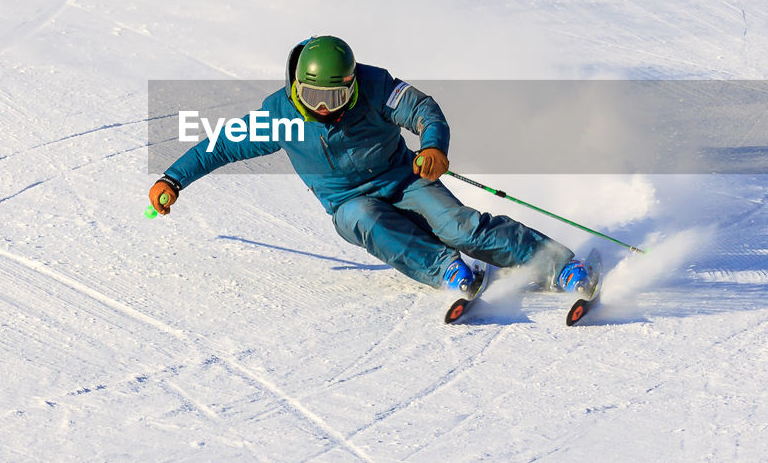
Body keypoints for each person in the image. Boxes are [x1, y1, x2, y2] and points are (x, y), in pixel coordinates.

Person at [148, 35, 591, 296]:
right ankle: (450, 271)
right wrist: (173, 179)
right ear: (297, 87)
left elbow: (424, 111)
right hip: (348, 201)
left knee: (459, 225)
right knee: (365, 220)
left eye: (336, 98)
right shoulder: (278, 115)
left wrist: (433, 146)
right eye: (315, 99)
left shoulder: (376, 85)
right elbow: (220, 146)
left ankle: (561, 267)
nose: (326, 109)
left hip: (403, 177)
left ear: (351, 83)